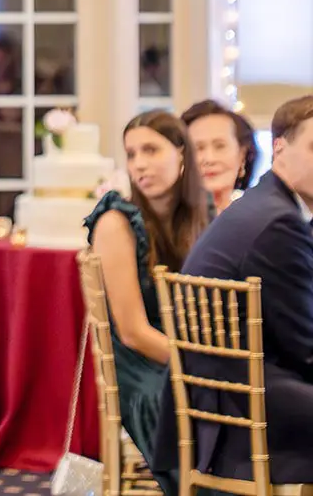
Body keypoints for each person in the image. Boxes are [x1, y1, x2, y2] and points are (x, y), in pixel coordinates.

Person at [157, 95, 313, 485]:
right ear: (280, 148)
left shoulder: (269, 204)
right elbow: (305, 349)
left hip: (222, 392)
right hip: (241, 410)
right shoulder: (277, 221)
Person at [84, 110, 210, 496]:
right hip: (140, 365)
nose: (139, 164)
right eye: (132, 153)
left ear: (181, 154)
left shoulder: (202, 217)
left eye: (151, 150)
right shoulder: (116, 221)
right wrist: (201, 364)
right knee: (190, 394)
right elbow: (134, 333)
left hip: (184, 352)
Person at [180, 98, 258, 214]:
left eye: (220, 146)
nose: (209, 159)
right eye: (198, 148)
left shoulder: (258, 221)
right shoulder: (165, 223)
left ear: (242, 155)